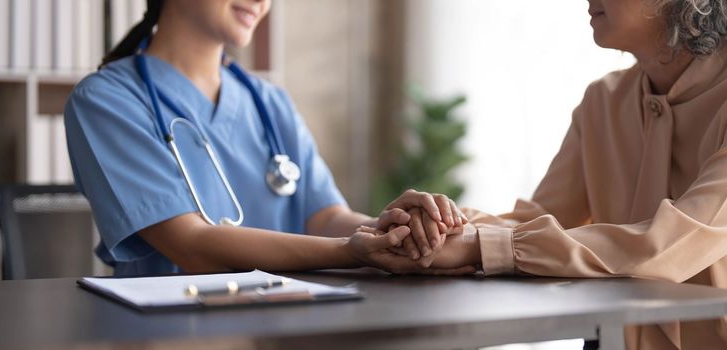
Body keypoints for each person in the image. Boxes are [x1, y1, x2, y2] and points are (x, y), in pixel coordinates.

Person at [370, 0, 727, 348]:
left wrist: (485, 245)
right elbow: (538, 218)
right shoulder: (603, 101)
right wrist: (438, 223)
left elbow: (673, 243)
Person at [64, 0, 472, 277]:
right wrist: (349, 251)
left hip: (286, 327)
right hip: (176, 335)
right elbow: (192, 244)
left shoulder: (268, 101)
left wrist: (394, 232)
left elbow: (326, 217)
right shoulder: (106, 101)